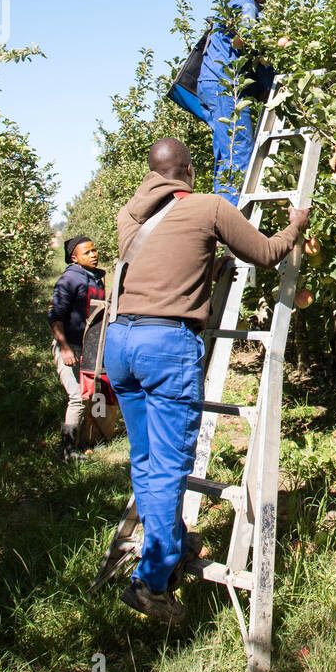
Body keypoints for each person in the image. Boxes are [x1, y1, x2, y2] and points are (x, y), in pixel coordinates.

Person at [103, 136, 309, 622]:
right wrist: (296, 225)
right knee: (172, 464)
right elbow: (264, 253)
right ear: (189, 171)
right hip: (165, 346)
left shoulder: (130, 215)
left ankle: (170, 544)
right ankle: (151, 583)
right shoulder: (209, 205)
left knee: (147, 457)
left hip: (121, 341)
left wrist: (205, 267)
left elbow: (158, 267)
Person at [197, 0, 277, 204]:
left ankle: (223, 210)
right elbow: (250, 38)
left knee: (226, 151)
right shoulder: (245, 4)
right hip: (226, 86)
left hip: (210, 84)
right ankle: (235, 220)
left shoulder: (230, 4)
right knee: (239, 148)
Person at [49, 237, 105, 461]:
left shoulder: (95, 278)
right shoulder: (70, 278)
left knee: (90, 395)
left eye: (94, 250)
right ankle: (66, 450)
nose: (94, 255)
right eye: (87, 252)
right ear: (74, 258)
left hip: (88, 346)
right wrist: (64, 348)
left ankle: (81, 442)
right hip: (69, 346)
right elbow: (55, 316)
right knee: (77, 397)